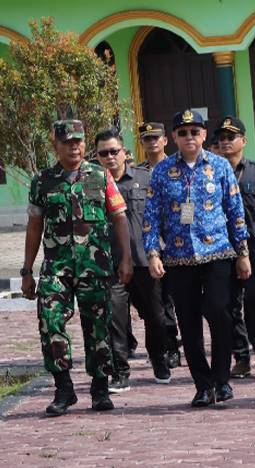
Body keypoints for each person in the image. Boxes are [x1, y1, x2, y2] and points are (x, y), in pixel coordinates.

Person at [21, 119, 133, 416]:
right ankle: (63, 388)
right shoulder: (42, 181)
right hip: (56, 267)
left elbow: (120, 217)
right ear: (55, 145)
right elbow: (34, 227)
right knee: (50, 320)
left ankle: (99, 388)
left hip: (94, 267)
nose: (74, 146)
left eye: (79, 141)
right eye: (67, 142)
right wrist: (26, 270)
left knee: (97, 327)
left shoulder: (101, 176)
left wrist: (126, 258)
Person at [143, 109, 250, 407]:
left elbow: (234, 210)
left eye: (195, 131)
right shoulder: (162, 172)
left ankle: (222, 380)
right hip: (179, 258)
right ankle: (202, 385)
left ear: (204, 135)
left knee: (219, 313)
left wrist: (242, 252)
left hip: (217, 252)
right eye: (183, 132)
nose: (189, 137)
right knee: (189, 324)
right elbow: (151, 216)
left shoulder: (219, 167)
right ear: (174, 137)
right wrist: (153, 253)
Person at [95, 129, 173, 392]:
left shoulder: (145, 178)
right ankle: (120, 372)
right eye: (103, 153)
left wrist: (160, 253)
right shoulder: (93, 184)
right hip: (109, 263)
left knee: (156, 317)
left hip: (144, 261)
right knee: (115, 320)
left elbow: (161, 217)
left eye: (114, 151)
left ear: (123, 152)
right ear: (97, 156)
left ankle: (159, 360)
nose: (109, 157)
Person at [213, 116, 255, 377]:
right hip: (221, 248)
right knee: (229, 303)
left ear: (243, 141)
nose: (226, 142)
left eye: (231, 137)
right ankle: (241, 355)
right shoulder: (211, 171)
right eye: (222, 138)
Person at [137, 121, 182, 369]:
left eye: (156, 137)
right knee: (157, 299)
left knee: (174, 297)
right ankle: (168, 345)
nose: (152, 142)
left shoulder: (177, 167)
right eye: (147, 138)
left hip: (176, 241)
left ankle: (174, 344)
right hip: (151, 244)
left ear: (165, 140)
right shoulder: (137, 174)